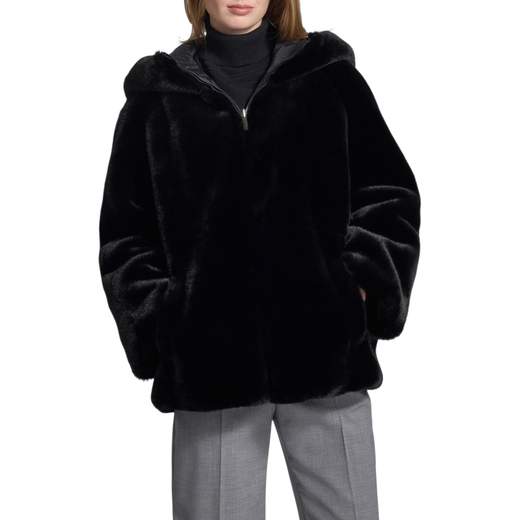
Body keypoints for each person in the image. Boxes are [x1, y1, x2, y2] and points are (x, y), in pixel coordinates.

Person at [98, 1, 421, 518]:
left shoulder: (329, 78)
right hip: (210, 372)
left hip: (326, 358)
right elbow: (125, 236)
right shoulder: (157, 99)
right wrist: (167, 325)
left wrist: (360, 289)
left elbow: (389, 195)